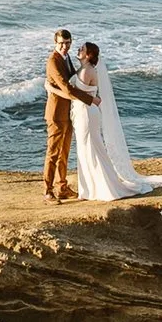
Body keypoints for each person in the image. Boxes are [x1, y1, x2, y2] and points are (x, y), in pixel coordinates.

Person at [68, 42, 162, 201]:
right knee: (85, 149)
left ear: (89, 55)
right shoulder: (82, 69)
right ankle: (88, 189)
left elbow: (75, 93)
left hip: (87, 113)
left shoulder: (87, 71)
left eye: (82, 49)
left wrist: (54, 88)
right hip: (83, 113)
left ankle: (101, 187)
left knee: (91, 149)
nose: (79, 50)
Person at [43, 27, 92, 201]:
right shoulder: (53, 61)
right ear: (55, 43)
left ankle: (61, 187)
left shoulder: (66, 57)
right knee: (53, 153)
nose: (65, 46)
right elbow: (66, 87)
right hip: (56, 114)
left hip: (69, 112)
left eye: (67, 43)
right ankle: (48, 191)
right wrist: (90, 99)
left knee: (64, 152)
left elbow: (73, 78)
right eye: (61, 43)